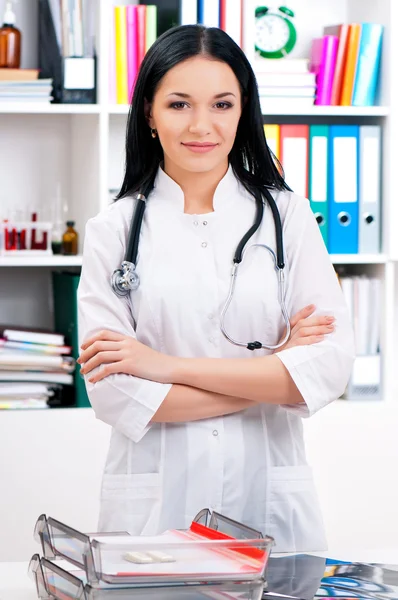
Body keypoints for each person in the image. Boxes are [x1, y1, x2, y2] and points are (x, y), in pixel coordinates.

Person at [77, 24, 354, 552]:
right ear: (149, 116)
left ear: (242, 111)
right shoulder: (112, 232)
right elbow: (116, 395)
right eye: (179, 104)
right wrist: (274, 374)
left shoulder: (288, 217)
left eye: (222, 104)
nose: (202, 125)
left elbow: (329, 369)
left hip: (269, 500)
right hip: (154, 514)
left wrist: (163, 366)